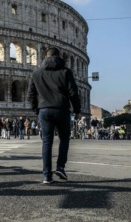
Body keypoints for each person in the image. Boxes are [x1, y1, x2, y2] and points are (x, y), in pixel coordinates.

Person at [28, 47, 81, 184]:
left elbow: (31, 95)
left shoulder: (36, 73)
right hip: (62, 109)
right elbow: (73, 92)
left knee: (47, 142)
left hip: (44, 109)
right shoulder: (65, 71)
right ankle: (60, 167)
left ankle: (47, 176)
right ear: (59, 57)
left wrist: (36, 109)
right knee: (64, 139)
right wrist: (77, 109)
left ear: (46, 57)